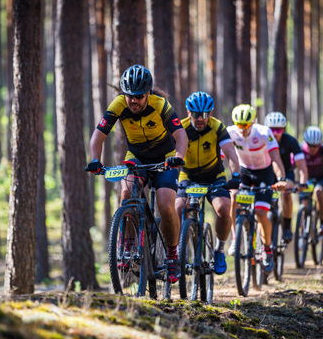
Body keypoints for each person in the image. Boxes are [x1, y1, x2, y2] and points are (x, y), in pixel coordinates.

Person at [87, 64, 188, 283]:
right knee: (126, 194)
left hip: (165, 157)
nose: (133, 101)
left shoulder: (161, 104)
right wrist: (95, 160)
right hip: (137, 156)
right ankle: (128, 246)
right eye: (129, 96)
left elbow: (181, 134)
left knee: (166, 205)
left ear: (148, 93)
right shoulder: (118, 105)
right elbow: (98, 136)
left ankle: (172, 255)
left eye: (139, 96)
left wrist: (178, 156)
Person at [175, 91, 241, 275]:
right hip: (188, 176)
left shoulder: (218, 127)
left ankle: (219, 250)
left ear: (210, 114)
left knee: (223, 208)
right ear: (189, 113)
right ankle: (181, 251)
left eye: (204, 115)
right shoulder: (181, 127)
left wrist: (235, 174)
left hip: (214, 175)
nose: (200, 119)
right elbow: (171, 153)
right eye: (196, 115)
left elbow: (231, 153)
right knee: (179, 208)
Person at [226, 104, 289, 273]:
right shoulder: (230, 132)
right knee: (233, 197)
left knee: (261, 213)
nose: (243, 129)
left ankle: (267, 249)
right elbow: (220, 156)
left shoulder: (263, 133)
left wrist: (281, 178)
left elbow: (275, 158)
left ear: (253, 122)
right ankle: (235, 238)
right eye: (239, 125)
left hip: (264, 173)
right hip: (244, 171)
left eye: (246, 125)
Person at [263, 112, 308, 243]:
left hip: (287, 173)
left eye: (279, 129)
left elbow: (302, 166)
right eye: (272, 129)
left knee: (286, 192)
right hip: (266, 173)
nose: (275, 133)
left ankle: (287, 228)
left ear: (283, 129)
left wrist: (303, 183)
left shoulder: (291, 141)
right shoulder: (261, 140)